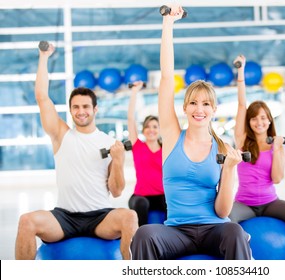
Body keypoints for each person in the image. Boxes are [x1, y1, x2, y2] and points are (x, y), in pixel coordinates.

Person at [130, 6, 252, 260]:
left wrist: (229, 170)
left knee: (235, 232)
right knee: (143, 235)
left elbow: (222, 211)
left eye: (206, 104)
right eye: (194, 103)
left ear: (214, 109)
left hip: (213, 229)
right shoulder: (173, 136)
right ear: (185, 107)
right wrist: (168, 24)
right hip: (176, 232)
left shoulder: (222, 148)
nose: (199, 109)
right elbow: (166, 78)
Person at [14, 42, 138, 260]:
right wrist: (44, 57)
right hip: (64, 217)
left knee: (130, 217)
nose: (81, 112)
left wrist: (118, 161)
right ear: (70, 110)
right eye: (76, 107)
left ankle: (132, 272)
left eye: (86, 107)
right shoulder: (61, 135)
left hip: (100, 217)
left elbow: (117, 191)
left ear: (95, 109)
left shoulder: (109, 142)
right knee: (26, 221)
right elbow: (42, 97)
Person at [228, 55, 285, 260]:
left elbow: (277, 178)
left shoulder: (277, 146)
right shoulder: (242, 140)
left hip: (271, 202)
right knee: (226, 218)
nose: (258, 122)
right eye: (254, 118)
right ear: (249, 122)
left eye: (263, 117)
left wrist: (277, 149)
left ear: (269, 120)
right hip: (244, 204)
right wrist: (241, 72)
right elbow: (242, 105)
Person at [127, 81, 166, 226]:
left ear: (160, 130)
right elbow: (131, 119)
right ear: (143, 130)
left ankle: (173, 240)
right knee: (141, 204)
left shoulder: (165, 149)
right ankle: (142, 240)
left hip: (161, 196)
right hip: (140, 196)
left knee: (171, 202)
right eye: (148, 127)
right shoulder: (138, 146)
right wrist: (134, 92)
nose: (151, 129)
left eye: (155, 126)